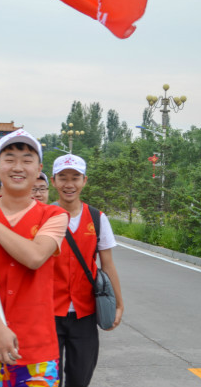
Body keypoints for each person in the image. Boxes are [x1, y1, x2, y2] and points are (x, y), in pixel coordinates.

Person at [0, 129, 69, 387]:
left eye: (27, 160)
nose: (18, 167)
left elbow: (35, 257)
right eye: (10, 159)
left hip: (36, 353)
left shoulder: (54, 216)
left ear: (39, 168)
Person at [50, 154, 124, 387]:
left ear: (84, 181)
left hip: (84, 313)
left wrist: (119, 304)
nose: (68, 184)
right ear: (53, 181)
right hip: (48, 312)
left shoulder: (97, 218)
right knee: (48, 380)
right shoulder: (42, 215)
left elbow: (108, 264)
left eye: (75, 178)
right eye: (62, 178)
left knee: (80, 378)